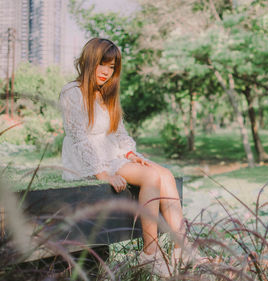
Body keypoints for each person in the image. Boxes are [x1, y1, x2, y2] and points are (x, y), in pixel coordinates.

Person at [59, 38, 192, 277]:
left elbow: (118, 132)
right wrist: (102, 174)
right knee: (151, 176)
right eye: (103, 64)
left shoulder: (106, 93)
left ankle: (182, 248)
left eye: (112, 67)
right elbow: (78, 138)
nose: (106, 72)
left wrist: (131, 154)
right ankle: (150, 255)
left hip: (111, 154)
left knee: (165, 174)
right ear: (90, 61)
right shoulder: (72, 93)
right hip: (85, 160)